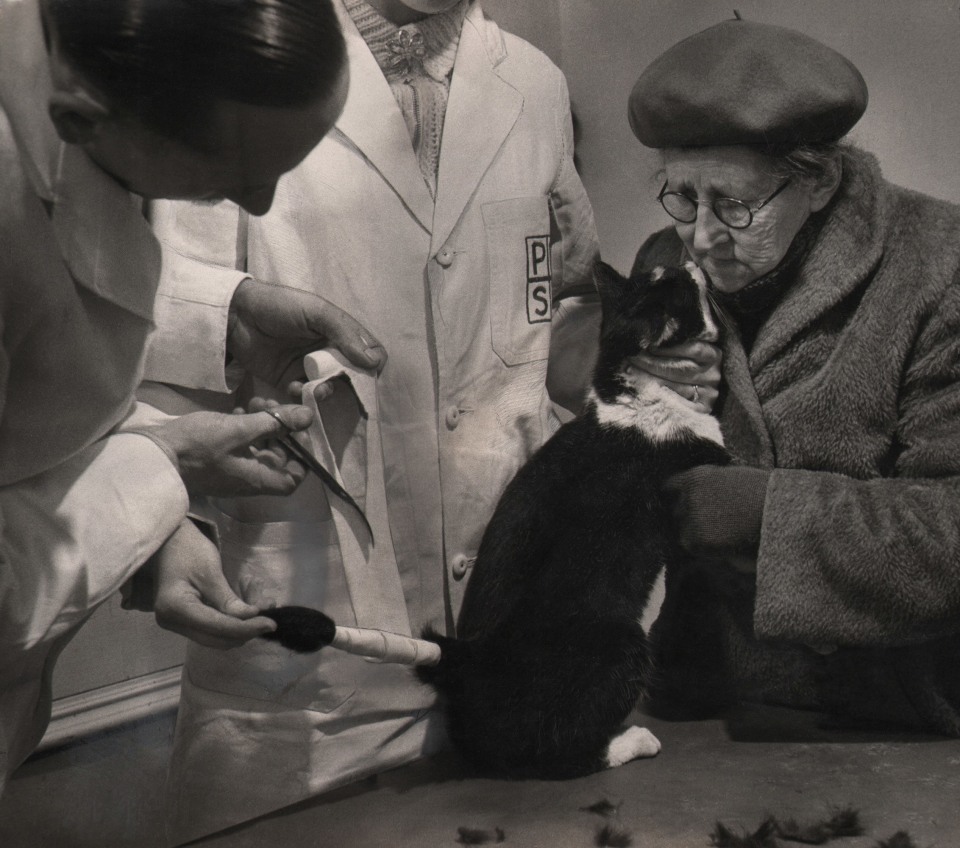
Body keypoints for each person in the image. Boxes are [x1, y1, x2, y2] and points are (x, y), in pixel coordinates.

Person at [142, 0, 720, 841]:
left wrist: (652, 372)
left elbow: (542, 329)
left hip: (519, 635)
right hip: (312, 662)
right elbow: (151, 330)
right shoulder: (235, 54)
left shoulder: (534, 84)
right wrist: (171, 525)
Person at [0, 0, 372, 793]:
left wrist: (225, 312)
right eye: (229, 180)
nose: (262, 204)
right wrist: (163, 467)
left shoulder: (76, 76)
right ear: (79, 119)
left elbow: (54, 302)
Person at [626, 18, 960, 734]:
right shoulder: (667, 262)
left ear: (820, 181)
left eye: (735, 204)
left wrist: (765, 515)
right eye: (682, 196)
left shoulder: (942, 270)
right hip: (704, 705)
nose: (703, 236)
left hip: (899, 720)